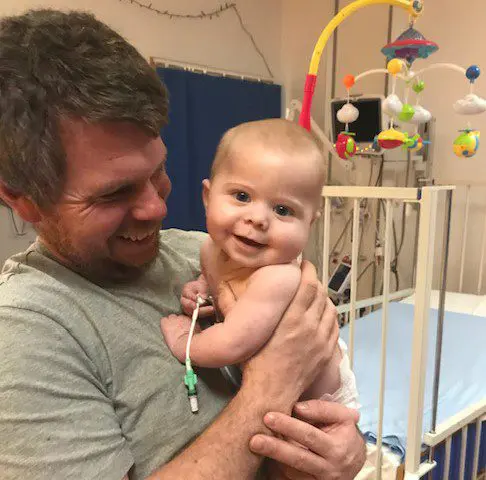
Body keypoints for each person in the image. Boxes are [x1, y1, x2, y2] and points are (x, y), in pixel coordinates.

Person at [0, 8, 366, 480]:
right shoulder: (29, 330)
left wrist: (344, 451)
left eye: (158, 172)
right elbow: (285, 366)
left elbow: (320, 377)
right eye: (115, 192)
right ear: (22, 199)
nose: (156, 208)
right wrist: (270, 387)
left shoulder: (203, 250)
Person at [162, 119, 359, 408]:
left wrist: (184, 342)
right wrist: (201, 289)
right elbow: (216, 283)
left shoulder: (277, 279)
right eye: (242, 196)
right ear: (207, 197)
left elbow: (232, 343)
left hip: (322, 400)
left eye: (283, 210)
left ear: (309, 223)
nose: (258, 218)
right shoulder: (208, 249)